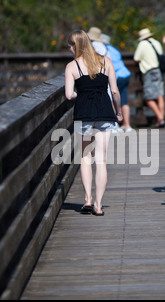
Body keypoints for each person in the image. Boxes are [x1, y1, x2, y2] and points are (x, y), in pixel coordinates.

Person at [65, 30, 123, 216]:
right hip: (105, 113)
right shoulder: (106, 61)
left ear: (76, 47)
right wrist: (119, 111)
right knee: (101, 160)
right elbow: (114, 91)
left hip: (84, 114)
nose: (70, 51)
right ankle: (98, 205)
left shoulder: (72, 66)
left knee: (85, 158)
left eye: (71, 47)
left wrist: (80, 94)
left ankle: (87, 200)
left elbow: (68, 95)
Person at [133, 28, 165, 128]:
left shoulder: (142, 44)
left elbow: (136, 58)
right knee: (160, 95)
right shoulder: (156, 42)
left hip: (148, 72)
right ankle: (161, 119)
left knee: (148, 98)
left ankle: (160, 119)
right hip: (158, 70)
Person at [101, 33, 134, 132]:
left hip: (117, 76)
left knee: (112, 98)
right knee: (123, 101)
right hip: (125, 75)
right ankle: (127, 125)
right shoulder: (115, 50)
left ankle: (115, 125)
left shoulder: (103, 51)